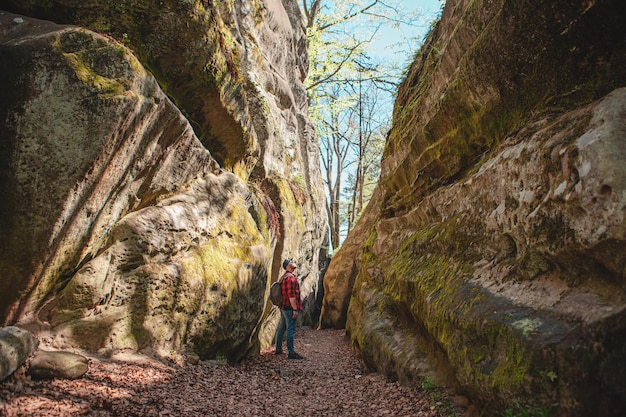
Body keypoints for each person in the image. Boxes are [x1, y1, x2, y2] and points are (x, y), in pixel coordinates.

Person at [275, 258, 304, 359]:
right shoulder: (290, 278)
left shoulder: (284, 277)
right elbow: (291, 295)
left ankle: (278, 349)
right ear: (287, 265)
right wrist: (295, 309)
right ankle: (291, 352)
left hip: (283, 307)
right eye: (291, 261)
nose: (294, 262)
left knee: (282, 327)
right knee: (290, 329)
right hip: (289, 308)